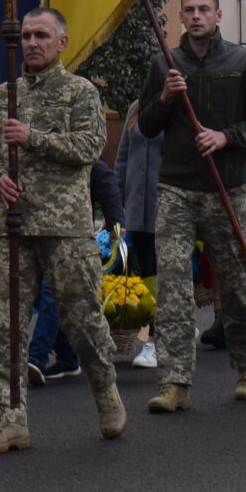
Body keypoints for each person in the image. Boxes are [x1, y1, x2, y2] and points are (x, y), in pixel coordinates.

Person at [0, 7, 127, 453]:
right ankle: (9, 418)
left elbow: (89, 146)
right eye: (26, 36)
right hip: (11, 226)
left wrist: (32, 137)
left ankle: (106, 393)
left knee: (81, 319)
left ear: (62, 42)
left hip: (63, 228)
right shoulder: (4, 95)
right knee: (4, 326)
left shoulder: (80, 92)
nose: (32, 43)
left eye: (41, 35)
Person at [134, 0, 246, 412]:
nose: (196, 16)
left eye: (204, 9)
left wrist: (226, 137)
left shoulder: (243, 62)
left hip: (225, 188)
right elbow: (145, 126)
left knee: (237, 285)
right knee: (174, 286)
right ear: (180, 17)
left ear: (218, 15)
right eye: (189, 10)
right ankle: (174, 381)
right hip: (176, 188)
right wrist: (164, 97)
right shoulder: (163, 63)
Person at [111, 102, 161, 368]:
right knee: (145, 274)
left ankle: (155, 341)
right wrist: (115, 207)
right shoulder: (136, 108)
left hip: (167, 207)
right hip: (136, 208)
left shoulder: (183, 105)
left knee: (160, 272)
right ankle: (160, 330)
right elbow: (123, 158)